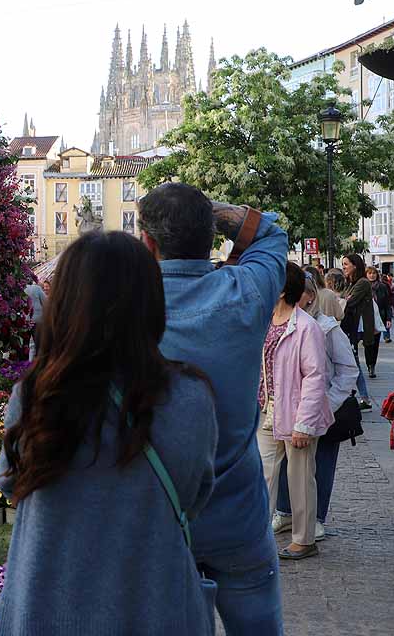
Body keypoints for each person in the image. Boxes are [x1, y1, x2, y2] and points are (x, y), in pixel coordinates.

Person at [0, 230, 218, 636]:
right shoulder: (188, 397)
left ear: (63, 301)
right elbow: (194, 494)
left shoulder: (37, 394)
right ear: (150, 302)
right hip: (154, 603)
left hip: (47, 606)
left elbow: (10, 483)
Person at [137, 182, 286, 634]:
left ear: (148, 242)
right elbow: (272, 234)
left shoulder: (123, 309)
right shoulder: (245, 292)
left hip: (155, 520)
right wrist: (214, 212)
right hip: (237, 512)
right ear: (209, 238)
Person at [255, 263, 333, 561]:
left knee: (300, 478)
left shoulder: (305, 327)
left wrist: (304, 423)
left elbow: (315, 377)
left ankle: (304, 538)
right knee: (262, 477)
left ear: (283, 289)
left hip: (296, 411)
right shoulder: (265, 320)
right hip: (268, 409)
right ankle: (258, 539)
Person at [274, 274, 360, 543]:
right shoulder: (281, 323)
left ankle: (316, 517)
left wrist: (329, 402)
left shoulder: (325, 327)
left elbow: (347, 369)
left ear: (310, 295)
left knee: (320, 464)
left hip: (321, 408)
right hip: (287, 409)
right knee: (287, 464)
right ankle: (286, 511)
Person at [339, 254, 377, 409]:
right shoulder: (351, 283)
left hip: (356, 328)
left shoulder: (362, 283)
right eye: (343, 264)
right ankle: (359, 395)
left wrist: (340, 300)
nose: (344, 267)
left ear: (355, 265)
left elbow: (348, 302)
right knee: (352, 362)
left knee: (352, 363)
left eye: (346, 264)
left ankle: (363, 397)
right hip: (350, 327)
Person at [367, 266, 393, 346]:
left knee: (375, 342)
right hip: (367, 316)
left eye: (374, 273)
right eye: (370, 273)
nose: (372, 275)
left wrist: (388, 319)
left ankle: (386, 337)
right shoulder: (363, 286)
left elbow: (387, 304)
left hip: (380, 315)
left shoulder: (382, 286)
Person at [24, 278, 47, 357]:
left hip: (23, 321)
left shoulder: (17, 290)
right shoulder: (36, 288)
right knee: (39, 346)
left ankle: (24, 365)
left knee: (25, 347)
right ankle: (39, 363)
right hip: (37, 320)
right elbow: (45, 302)